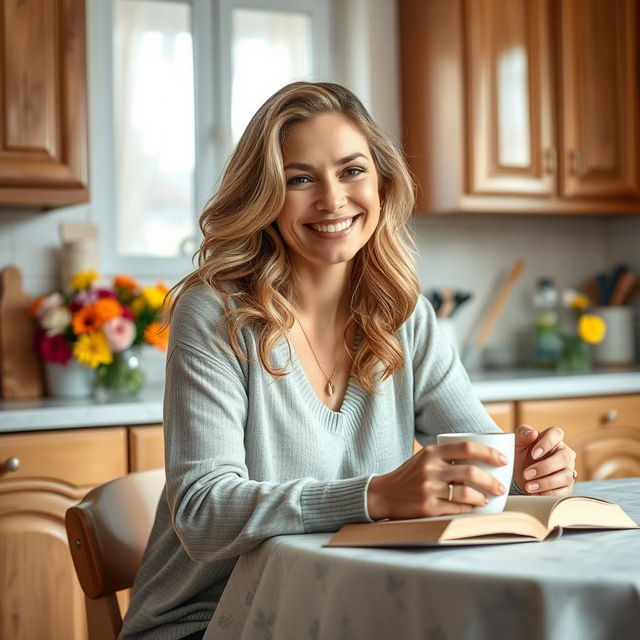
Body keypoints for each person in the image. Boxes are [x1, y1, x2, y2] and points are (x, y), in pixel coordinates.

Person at [119, 81, 576, 640]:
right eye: (300, 179)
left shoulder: (405, 316)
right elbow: (203, 513)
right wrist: (376, 495)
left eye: (351, 170)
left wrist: (528, 473)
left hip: (344, 610)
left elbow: (479, 467)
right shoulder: (216, 313)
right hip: (207, 623)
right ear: (266, 198)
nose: (332, 199)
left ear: (382, 182)